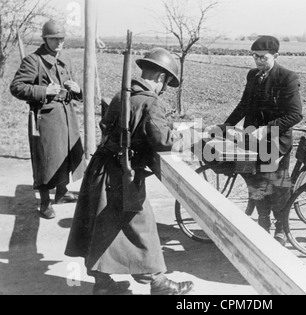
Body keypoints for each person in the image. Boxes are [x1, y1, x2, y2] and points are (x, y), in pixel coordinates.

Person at [65, 47, 194, 296]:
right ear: (160, 78)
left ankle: (103, 285)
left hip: (100, 171)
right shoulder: (151, 102)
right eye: (165, 83)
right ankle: (159, 284)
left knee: (100, 227)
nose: (164, 89)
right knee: (140, 225)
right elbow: (164, 141)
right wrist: (187, 135)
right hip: (122, 175)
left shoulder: (121, 96)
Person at [213, 36, 303, 246]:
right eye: (255, 57)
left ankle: (281, 229)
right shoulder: (253, 75)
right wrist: (225, 126)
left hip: (276, 142)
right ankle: (263, 223)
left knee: (277, 186)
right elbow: (244, 104)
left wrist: (267, 130)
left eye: (263, 57)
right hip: (251, 141)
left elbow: (295, 114)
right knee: (255, 182)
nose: (259, 61)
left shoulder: (287, 77)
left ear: (276, 56)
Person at [10, 20, 86, 220]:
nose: (59, 43)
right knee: (47, 159)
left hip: (67, 115)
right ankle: (45, 202)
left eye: (61, 39)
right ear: (45, 39)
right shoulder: (33, 61)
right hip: (45, 118)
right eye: (54, 39)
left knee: (67, 155)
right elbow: (16, 87)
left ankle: (61, 193)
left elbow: (75, 89)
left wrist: (78, 91)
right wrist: (44, 90)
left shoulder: (66, 60)